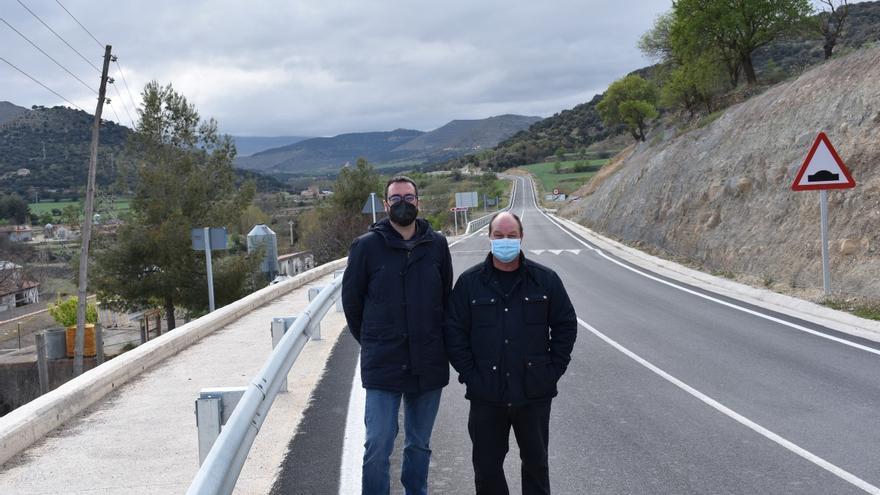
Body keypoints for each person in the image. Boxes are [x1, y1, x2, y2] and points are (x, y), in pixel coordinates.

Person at [445, 211, 577, 495]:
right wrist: (472, 376)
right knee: (487, 470)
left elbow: (565, 326)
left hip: (533, 395)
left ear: (521, 238)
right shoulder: (469, 284)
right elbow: (454, 334)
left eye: (511, 236)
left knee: (536, 466)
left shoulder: (545, 280)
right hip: (486, 396)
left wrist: (551, 372)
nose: (505, 241)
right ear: (489, 237)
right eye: (499, 236)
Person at [342, 176, 453, 495]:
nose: (403, 203)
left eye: (409, 197)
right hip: (383, 364)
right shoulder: (366, 247)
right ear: (385, 204)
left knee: (419, 445)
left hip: (428, 362)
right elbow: (352, 303)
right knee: (377, 445)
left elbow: (445, 298)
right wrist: (375, 341)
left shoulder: (437, 245)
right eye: (396, 198)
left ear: (418, 202)